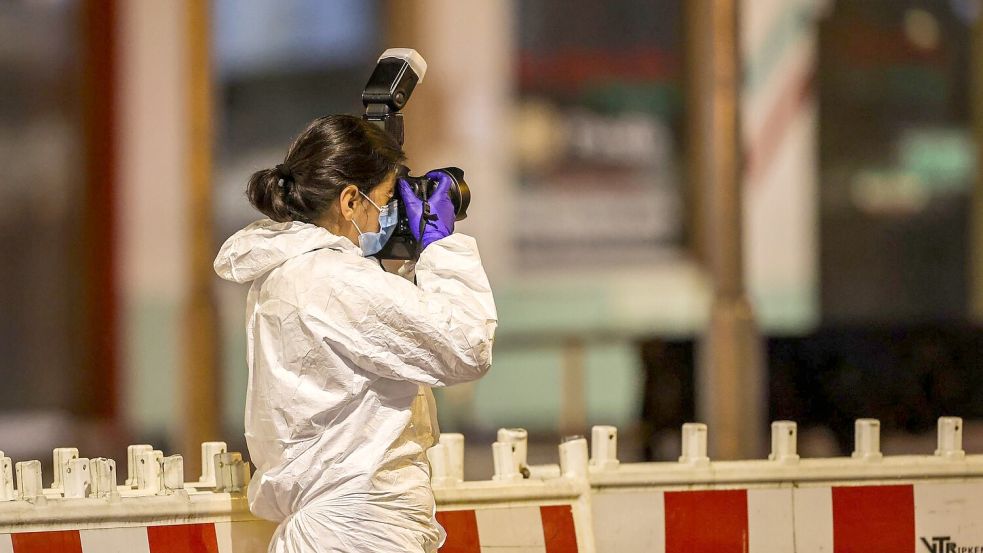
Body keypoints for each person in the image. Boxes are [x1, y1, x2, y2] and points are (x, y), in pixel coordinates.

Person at [213, 114, 497, 552]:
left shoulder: (290, 272)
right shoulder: (334, 281)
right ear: (350, 201)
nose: (391, 214)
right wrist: (442, 246)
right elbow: (465, 347)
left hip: (333, 526)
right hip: (359, 531)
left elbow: (387, 335)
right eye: (386, 199)